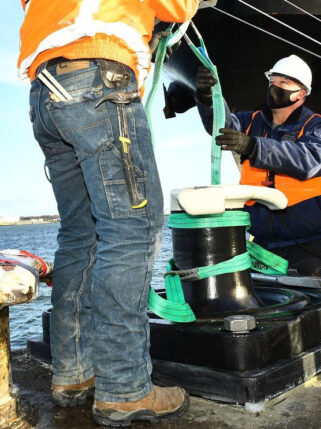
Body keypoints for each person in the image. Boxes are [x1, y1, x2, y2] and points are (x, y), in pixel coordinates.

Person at [18, 0, 200, 426]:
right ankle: (125, 389)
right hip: (99, 78)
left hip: (45, 90)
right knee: (131, 230)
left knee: (80, 233)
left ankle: (73, 373)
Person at [196, 55, 321, 277]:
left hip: (310, 244)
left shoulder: (320, 128)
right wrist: (207, 98)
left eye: (283, 82)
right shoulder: (250, 121)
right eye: (272, 81)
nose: (274, 87)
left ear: (301, 93)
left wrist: (254, 146)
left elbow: (309, 159)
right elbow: (221, 125)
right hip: (264, 246)